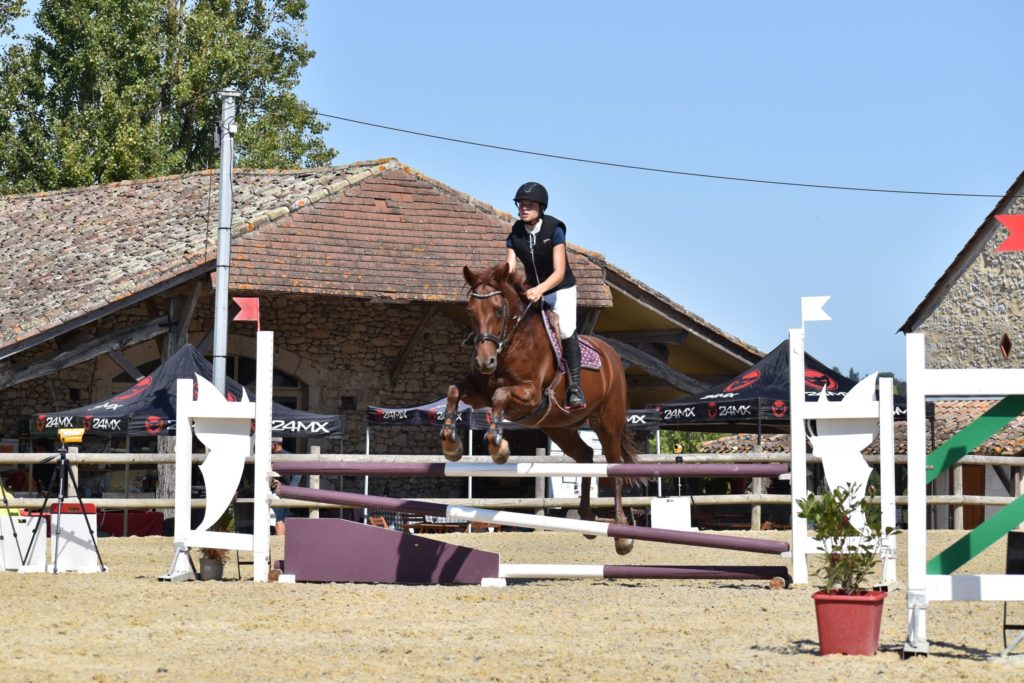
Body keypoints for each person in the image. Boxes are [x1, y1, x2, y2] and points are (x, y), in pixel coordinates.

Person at [506, 181, 586, 410]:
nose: (523, 208)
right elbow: (509, 269)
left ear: (541, 207)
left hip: (560, 289)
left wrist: (540, 290)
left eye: (529, 204)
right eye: (520, 204)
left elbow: (559, 272)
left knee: (565, 329)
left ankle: (575, 388)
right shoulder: (515, 234)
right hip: (532, 291)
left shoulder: (554, 230)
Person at [269, 437, 299, 536]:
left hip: (279, 492)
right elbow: (297, 475)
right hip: (285, 491)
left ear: (275, 444)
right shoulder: (289, 455)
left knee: (278, 519)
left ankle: (280, 547)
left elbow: (297, 475)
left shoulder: (282, 457)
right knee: (282, 519)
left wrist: (285, 488)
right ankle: (284, 544)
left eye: (270, 444)